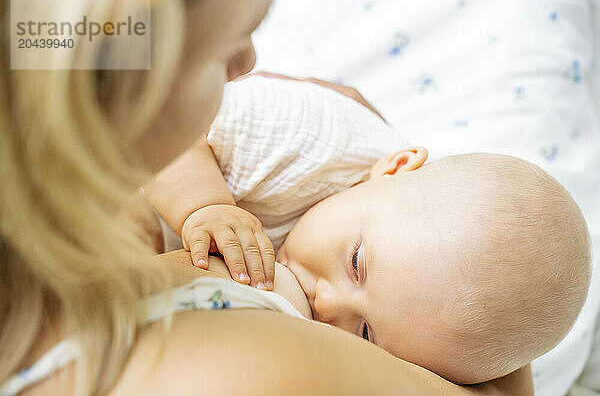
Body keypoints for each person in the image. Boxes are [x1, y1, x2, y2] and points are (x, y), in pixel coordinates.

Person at [0, 0, 536, 395]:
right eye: (225, 52)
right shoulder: (262, 356)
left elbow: (38, 35)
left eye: (369, 331)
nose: (252, 69)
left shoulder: (32, 39)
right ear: (132, 78)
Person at [147, 75, 592, 384]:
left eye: (365, 334)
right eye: (356, 263)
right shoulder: (305, 141)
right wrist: (204, 204)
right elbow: (163, 120)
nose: (327, 302)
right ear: (394, 167)